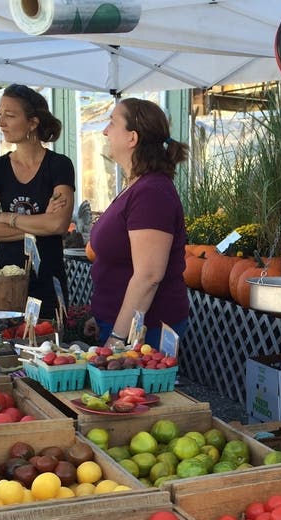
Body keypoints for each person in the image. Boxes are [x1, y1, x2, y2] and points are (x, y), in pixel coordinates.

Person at [87, 97, 190, 351]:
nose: (104, 131)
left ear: (132, 138)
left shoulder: (151, 193)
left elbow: (149, 276)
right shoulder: (136, 185)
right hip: (117, 324)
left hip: (145, 333)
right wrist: (101, 316)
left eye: (112, 123)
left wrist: (119, 338)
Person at [0, 84, 75, 319]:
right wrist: (39, 224)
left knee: (51, 348)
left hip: (49, 282)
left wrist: (7, 217)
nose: (1, 123)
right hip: (7, 282)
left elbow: (58, 225)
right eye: (0, 114)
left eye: (10, 116)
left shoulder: (59, 165)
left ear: (33, 122)